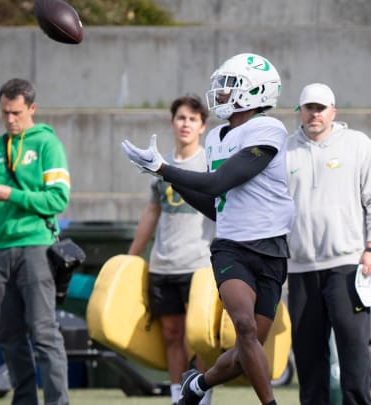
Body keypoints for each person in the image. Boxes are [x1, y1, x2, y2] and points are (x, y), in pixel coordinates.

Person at [121, 52, 293, 405]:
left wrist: (164, 169)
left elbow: (217, 183)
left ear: (256, 91)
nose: (221, 93)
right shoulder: (216, 136)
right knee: (243, 326)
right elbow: (216, 206)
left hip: (272, 249)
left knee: (249, 350)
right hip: (231, 248)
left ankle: (197, 385)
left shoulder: (268, 129)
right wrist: (161, 173)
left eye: (230, 86)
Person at [285, 83, 371, 405]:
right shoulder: (284, 150)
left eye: (321, 108)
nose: (314, 114)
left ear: (334, 111)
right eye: (309, 107)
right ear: (299, 111)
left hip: (347, 265)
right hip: (301, 267)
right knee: (307, 355)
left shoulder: (357, 144)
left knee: (353, 351)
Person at [0, 78, 71, 405]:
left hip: (36, 247)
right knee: (9, 336)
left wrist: (9, 193)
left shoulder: (47, 145)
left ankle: (58, 402)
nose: (10, 120)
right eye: (4, 113)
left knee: (43, 333)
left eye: (16, 113)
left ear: (32, 108)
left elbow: (58, 199)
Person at [127, 95, 215, 405]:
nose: (186, 123)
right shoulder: (159, 164)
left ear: (202, 126)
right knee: (171, 335)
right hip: (163, 265)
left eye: (193, 119)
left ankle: (201, 394)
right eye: (181, 117)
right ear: (172, 122)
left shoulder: (210, 163)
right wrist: (131, 256)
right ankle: (178, 396)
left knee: (200, 337)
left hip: (200, 265)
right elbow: (151, 213)